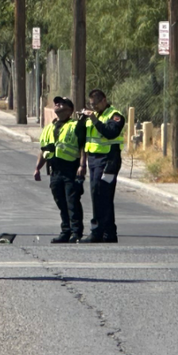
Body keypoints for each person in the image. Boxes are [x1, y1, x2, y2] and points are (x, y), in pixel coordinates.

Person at [34, 96, 84, 243]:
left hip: (71, 169)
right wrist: (37, 168)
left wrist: (82, 165)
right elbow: (44, 150)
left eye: (62, 104)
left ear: (70, 110)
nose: (58, 105)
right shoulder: (49, 127)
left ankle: (76, 233)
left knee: (72, 202)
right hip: (55, 170)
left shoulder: (76, 125)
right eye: (57, 103)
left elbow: (83, 147)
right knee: (61, 202)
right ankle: (65, 231)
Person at [78, 89, 126, 243]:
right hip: (93, 160)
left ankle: (97, 231)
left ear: (104, 100)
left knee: (100, 194)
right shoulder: (95, 115)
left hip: (108, 160)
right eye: (91, 105)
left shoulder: (115, 116)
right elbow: (82, 136)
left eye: (95, 104)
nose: (93, 107)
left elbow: (110, 133)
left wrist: (94, 119)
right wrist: (82, 119)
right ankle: (109, 233)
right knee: (99, 195)